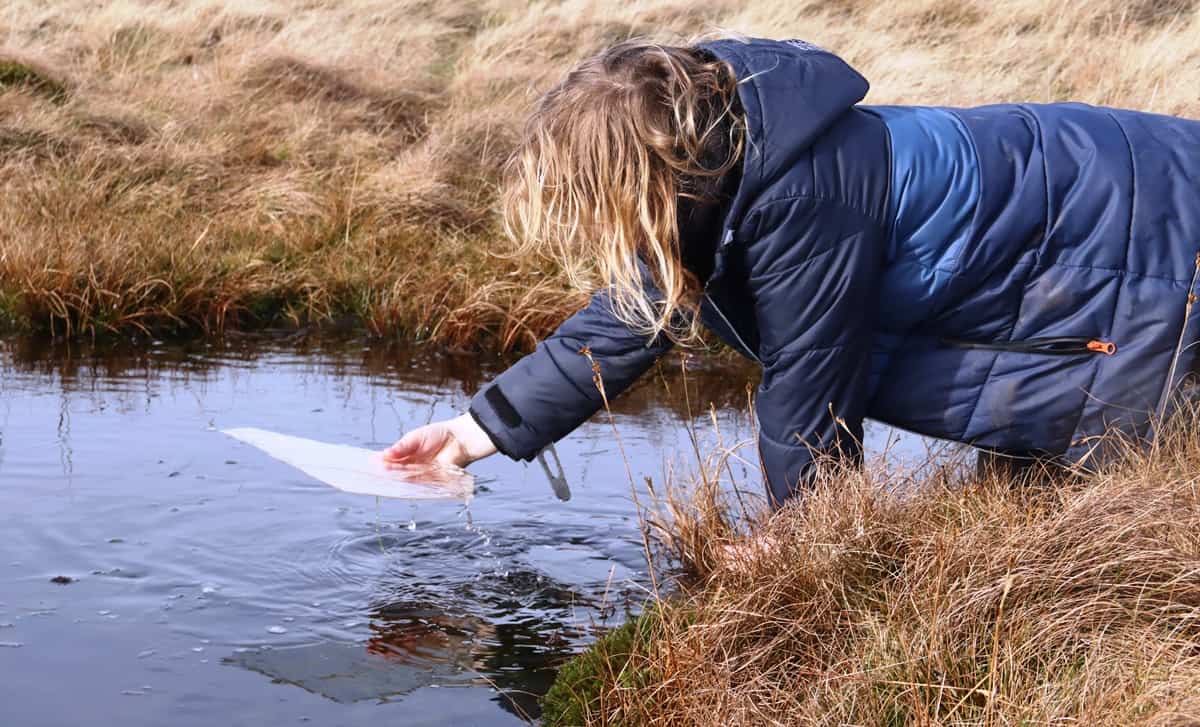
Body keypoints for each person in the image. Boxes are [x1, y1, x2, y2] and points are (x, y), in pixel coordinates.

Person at [383, 36, 1200, 509]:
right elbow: (629, 319)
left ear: (647, 175)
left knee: (1143, 476)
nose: (599, 225)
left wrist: (796, 551)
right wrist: (464, 437)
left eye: (598, 200)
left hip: (1156, 235)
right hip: (1121, 197)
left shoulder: (805, 193)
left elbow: (813, 393)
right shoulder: (725, 163)